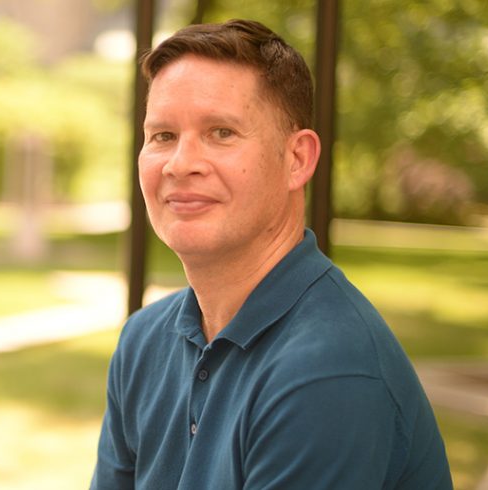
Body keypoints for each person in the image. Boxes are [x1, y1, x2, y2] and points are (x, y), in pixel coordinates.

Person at [91, 20, 452, 489]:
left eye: (221, 132)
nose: (181, 164)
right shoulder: (143, 342)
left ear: (297, 159)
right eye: (162, 136)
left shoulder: (327, 373)